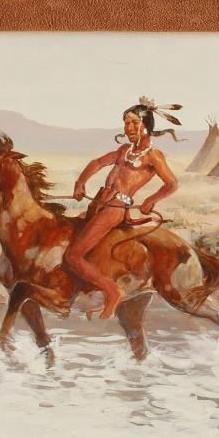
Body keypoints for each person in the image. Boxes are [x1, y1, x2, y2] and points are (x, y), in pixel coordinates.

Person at [65, 97, 181, 319]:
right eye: (126, 123)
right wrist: (80, 182)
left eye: (134, 123)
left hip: (115, 209)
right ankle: (84, 290)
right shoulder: (124, 150)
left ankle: (112, 291)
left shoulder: (153, 155)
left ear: (146, 125)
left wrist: (151, 200)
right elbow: (98, 163)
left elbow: (172, 184)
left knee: (73, 255)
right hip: (99, 203)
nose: (129, 128)